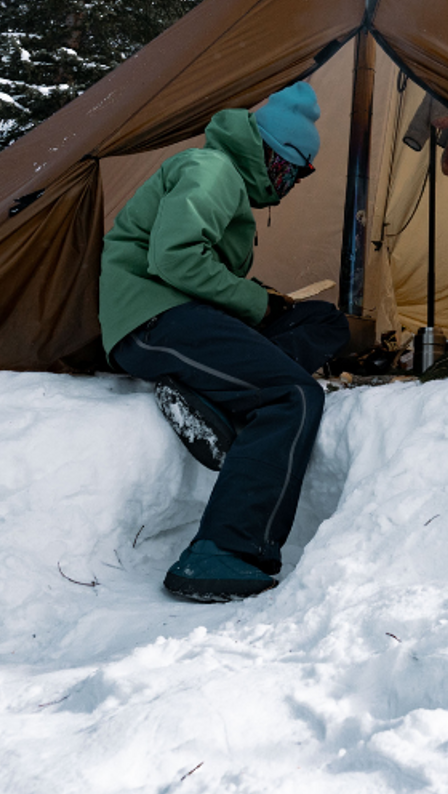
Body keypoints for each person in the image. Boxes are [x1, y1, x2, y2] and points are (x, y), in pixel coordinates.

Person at [99, 81, 349, 602]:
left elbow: (196, 264)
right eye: (297, 175)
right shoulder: (211, 170)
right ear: (277, 159)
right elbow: (175, 259)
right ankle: (221, 553)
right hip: (154, 320)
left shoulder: (225, 176)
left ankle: (218, 392)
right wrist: (256, 304)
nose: (292, 187)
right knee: (294, 396)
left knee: (322, 321)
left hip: (185, 316)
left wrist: (267, 303)